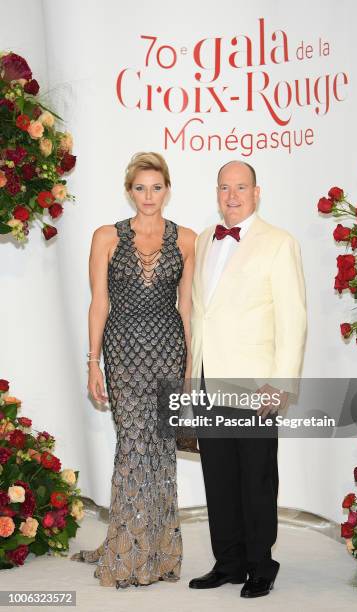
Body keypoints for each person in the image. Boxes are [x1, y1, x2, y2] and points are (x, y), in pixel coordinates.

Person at [71, 152, 196, 588]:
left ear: (167, 189)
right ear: (129, 191)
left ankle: (159, 553)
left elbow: (186, 308)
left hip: (168, 353)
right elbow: (99, 302)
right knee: (132, 446)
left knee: (161, 451)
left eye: (156, 187)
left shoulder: (187, 239)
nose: (148, 196)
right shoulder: (106, 236)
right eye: (140, 188)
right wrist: (93, 362)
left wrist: (190, 368)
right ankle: (126, 553)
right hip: (123, 354)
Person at [189, 160, 307, 598]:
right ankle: (229, 561)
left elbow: (294, 320)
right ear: (216, 193)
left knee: (256, 477)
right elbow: (204, 316)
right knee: (217, 477)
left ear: (257, 193)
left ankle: (261, 563)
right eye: (224, 187)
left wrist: (280, 382)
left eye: (241, 187)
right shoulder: (204, 240)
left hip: (256, 385)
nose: (232, 196)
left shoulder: (279, 242)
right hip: (207, 380)